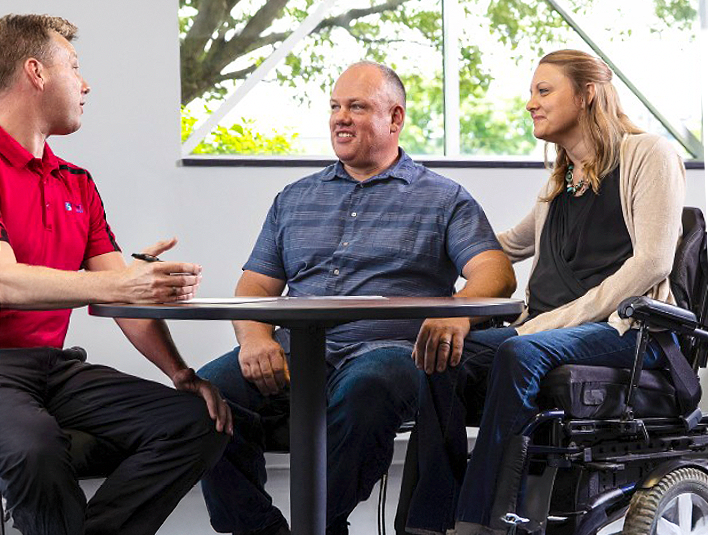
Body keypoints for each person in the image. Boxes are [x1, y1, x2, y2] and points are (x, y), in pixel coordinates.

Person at [197, 61, 516, 535]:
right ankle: (258, 530)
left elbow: (496, 272)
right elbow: (255, 286)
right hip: (296, 348)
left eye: (358, 107)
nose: (340, 118)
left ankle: (320, 527)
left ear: (395, 117)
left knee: (369, 387)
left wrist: (457, 313)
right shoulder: (294, 198)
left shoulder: (444, 198)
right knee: (208, 389)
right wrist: (254, 339)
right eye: (335, 106)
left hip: (389, 351)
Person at [403, 49, 686, 535]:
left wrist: (549, 323)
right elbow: (504, 245)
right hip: (546, 331)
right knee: (443, 353)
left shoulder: (649, 155)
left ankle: (483, 521)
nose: (530, 103)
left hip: (627, 331)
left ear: (587, 94)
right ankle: (430, 521)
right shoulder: (561, 179)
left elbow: (653, 262)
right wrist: (421, 253)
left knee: (521, 351)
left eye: (543, 90)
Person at [0, 14, 232, 535]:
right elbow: (4, 281)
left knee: (198, 422)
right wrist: (124, 281)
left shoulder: (76, 184)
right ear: (36, 72)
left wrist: (180, 372)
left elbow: (123, 297)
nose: (85, 84)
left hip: (52, 369)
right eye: (74, 67)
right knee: (35, 447)